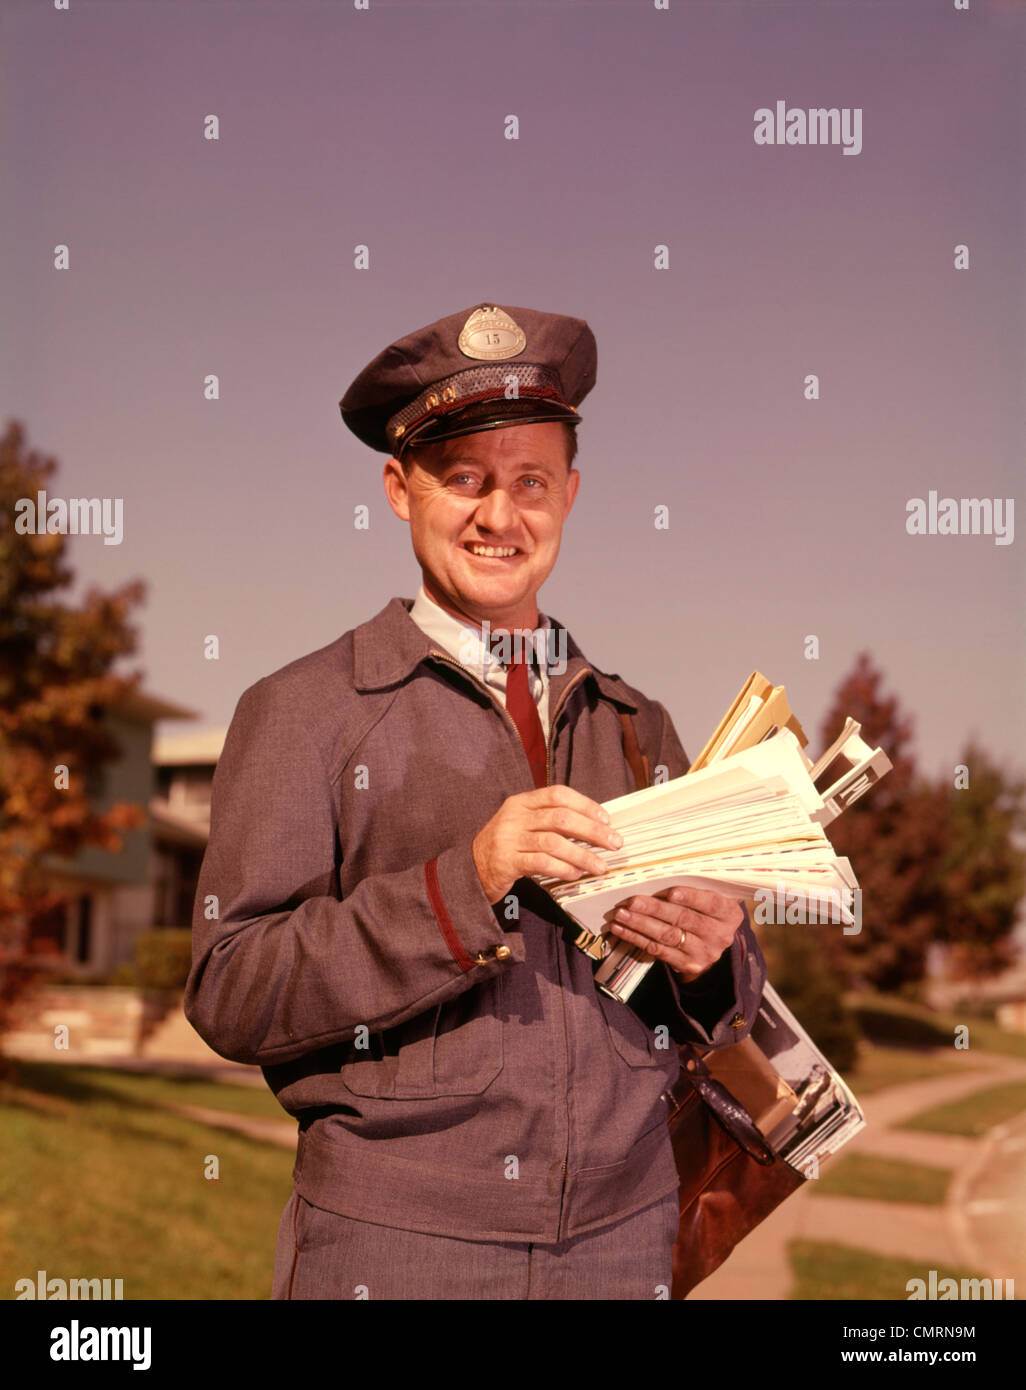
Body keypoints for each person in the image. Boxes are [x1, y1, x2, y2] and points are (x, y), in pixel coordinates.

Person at [184, 301, 766, 1301]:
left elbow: (729, 1009)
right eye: (465, 480)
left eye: (530, 481)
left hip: (625, 1245)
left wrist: (714, 962)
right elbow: (232, 988)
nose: (501, 517)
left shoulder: (643, 725)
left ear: (572, 495)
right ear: (399, 490)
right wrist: (468, 883)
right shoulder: (302, 711)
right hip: (398, 1246)